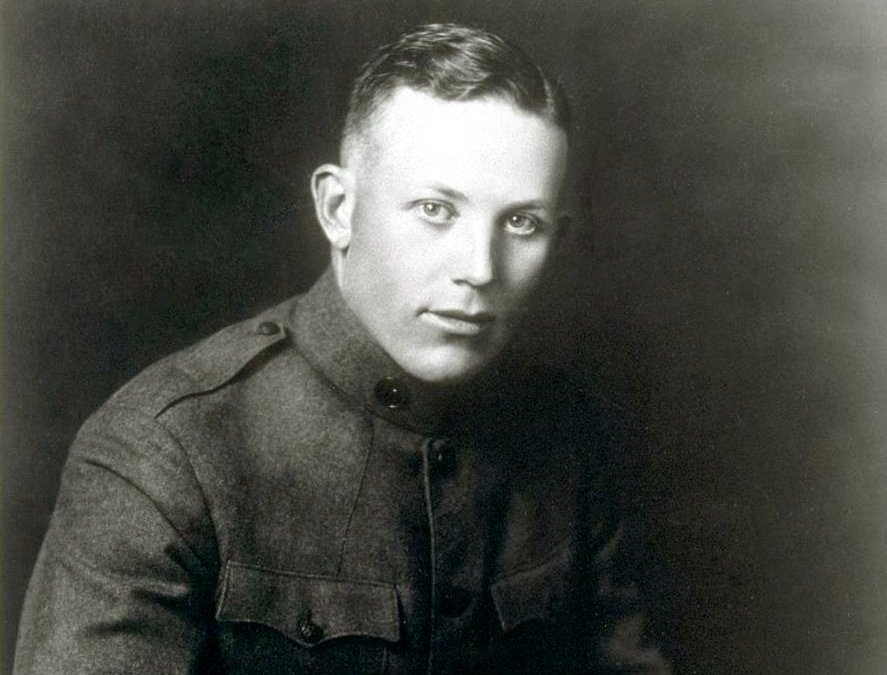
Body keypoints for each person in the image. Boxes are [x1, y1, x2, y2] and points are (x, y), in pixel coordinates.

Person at [14, 23, 670, 674]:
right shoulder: (163, 450)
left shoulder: (566, 430)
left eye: (520, 222)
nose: (480, 267)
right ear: (336, 207)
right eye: (436, 209)